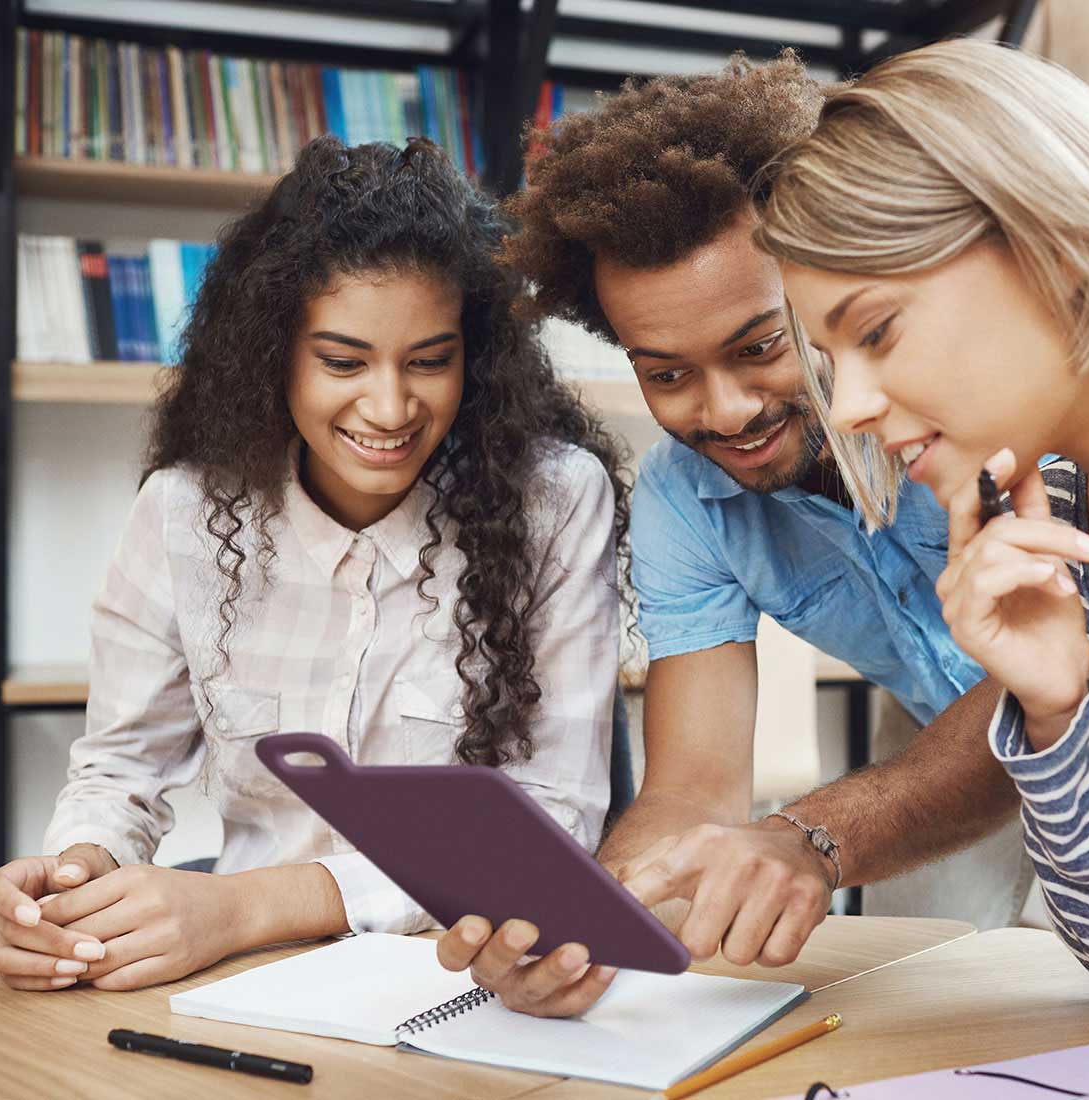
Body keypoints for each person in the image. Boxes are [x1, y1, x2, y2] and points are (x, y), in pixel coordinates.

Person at [438, 53, 1030, 1018]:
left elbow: (1053, 686)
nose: (726, 412)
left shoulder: (978, 405)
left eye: (760, 348)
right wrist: (584, 919)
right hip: (935, 728)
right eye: (665, 373)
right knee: (935, 1012)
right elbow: (694, 790)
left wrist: (811, 835)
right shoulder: (681, 505)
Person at [0, 136, 628, 993]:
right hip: (241, 973)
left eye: (430, 361)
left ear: (474, 361)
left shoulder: (554, 501)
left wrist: (248, 906)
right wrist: (70, 887)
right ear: (271, 355)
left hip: (463, 979)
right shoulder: (184, 513)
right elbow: (122, 769)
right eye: (342, 361)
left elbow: (556, 817)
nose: (392, 407)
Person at [761, 39, 1089, 1024]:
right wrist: (1059, 704)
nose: (842, 407)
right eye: (829, 356)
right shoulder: (1062, 525)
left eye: (875, 330)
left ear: (1053, 247)